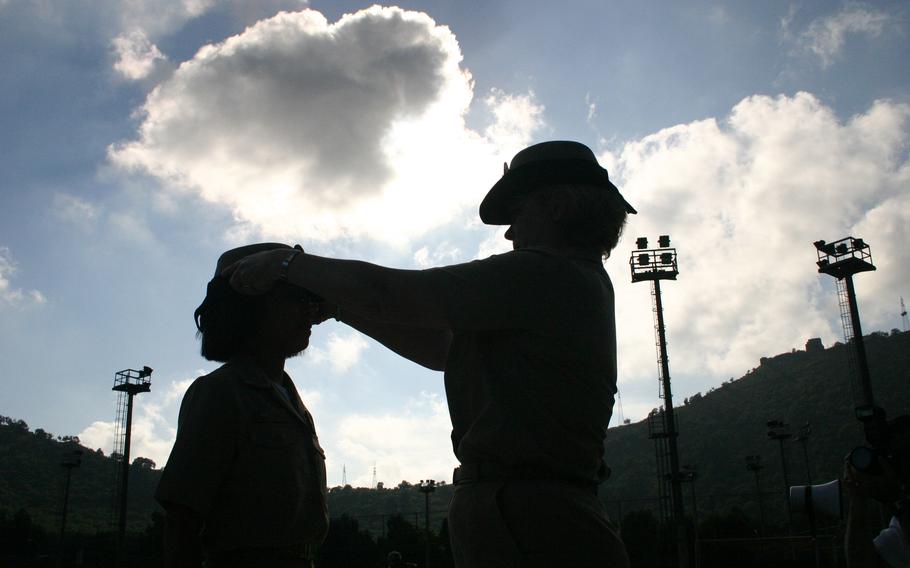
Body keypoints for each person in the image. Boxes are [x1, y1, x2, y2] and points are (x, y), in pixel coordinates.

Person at [224, 140, 633, 567]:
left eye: (518, 212)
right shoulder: (568, 283)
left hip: (531, 513)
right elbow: (442, 349)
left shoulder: (543, 273)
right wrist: (340, 307)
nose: (510, 232)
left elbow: (395, 294)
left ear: (555, 206)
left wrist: (287, 265)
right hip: (540, 509)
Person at [156, 243, 329, 568]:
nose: (310, 311)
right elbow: (182, 523)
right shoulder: (220, 393)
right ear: (253, 306)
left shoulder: (293, 402)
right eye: (296, 298)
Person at [844, 415, 910, 568]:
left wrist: (897, 501)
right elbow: (861, 562)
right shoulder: (899, 523)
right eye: (897, 458)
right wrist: (857, 500)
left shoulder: (902, 513)